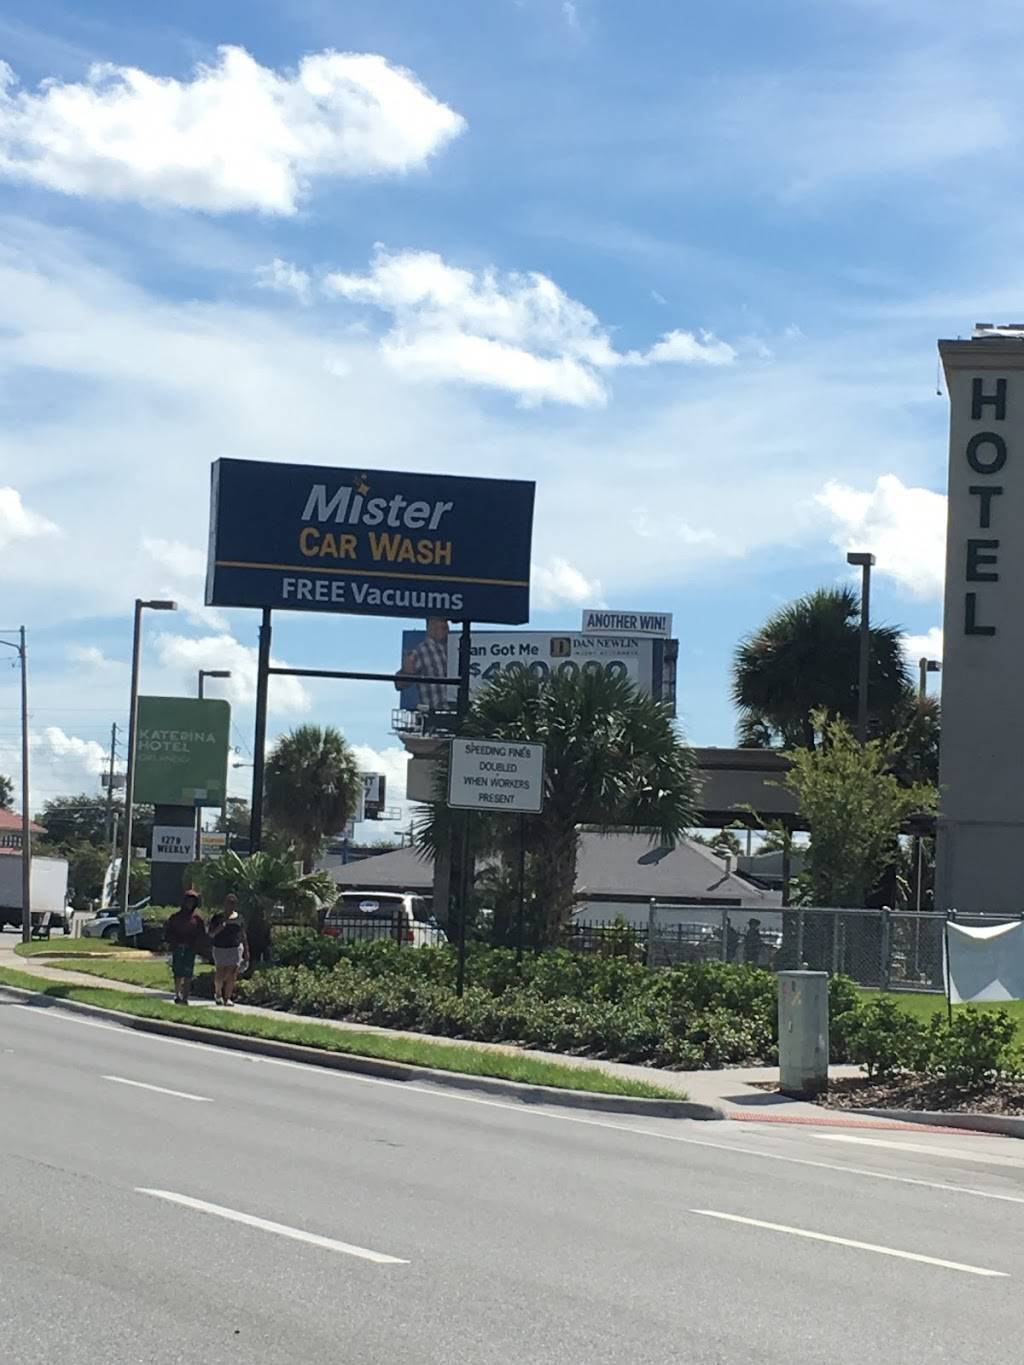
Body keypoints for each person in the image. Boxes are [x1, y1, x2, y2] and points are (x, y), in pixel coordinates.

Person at [396, 617, 453, 712]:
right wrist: (406, 672)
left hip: (457, 714)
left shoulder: (454, 648)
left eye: (446, 622)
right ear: (429, 626)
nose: (444, 625)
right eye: (439, 622)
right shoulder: (421, 651)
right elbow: (399, 684)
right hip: (434, 715)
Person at [165, 890, 205, 1005]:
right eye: (188, 901)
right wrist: (173, 944)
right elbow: (169, 932)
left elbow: (201, 934)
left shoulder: (197, 919)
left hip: (190, 949)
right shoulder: (175, 917)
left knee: (188, 973)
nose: (190, 904)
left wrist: (199, 947)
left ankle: (185, 997)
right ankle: (177, 994)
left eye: (192, 902)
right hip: (178, 948)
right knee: (178, 972)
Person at [208, 894, 248, 1006]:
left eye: (233, 903)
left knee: (232, 972)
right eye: (228, 902)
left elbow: (243, 935)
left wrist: (246, 951)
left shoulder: (239, 918)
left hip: (235, 948)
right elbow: (210, 934)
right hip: (220, 948)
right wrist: (219, 929)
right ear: (224, 903)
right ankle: (218, 994)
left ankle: (228, 998)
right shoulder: (217, 918)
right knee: (220, 972)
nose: (230, 905)